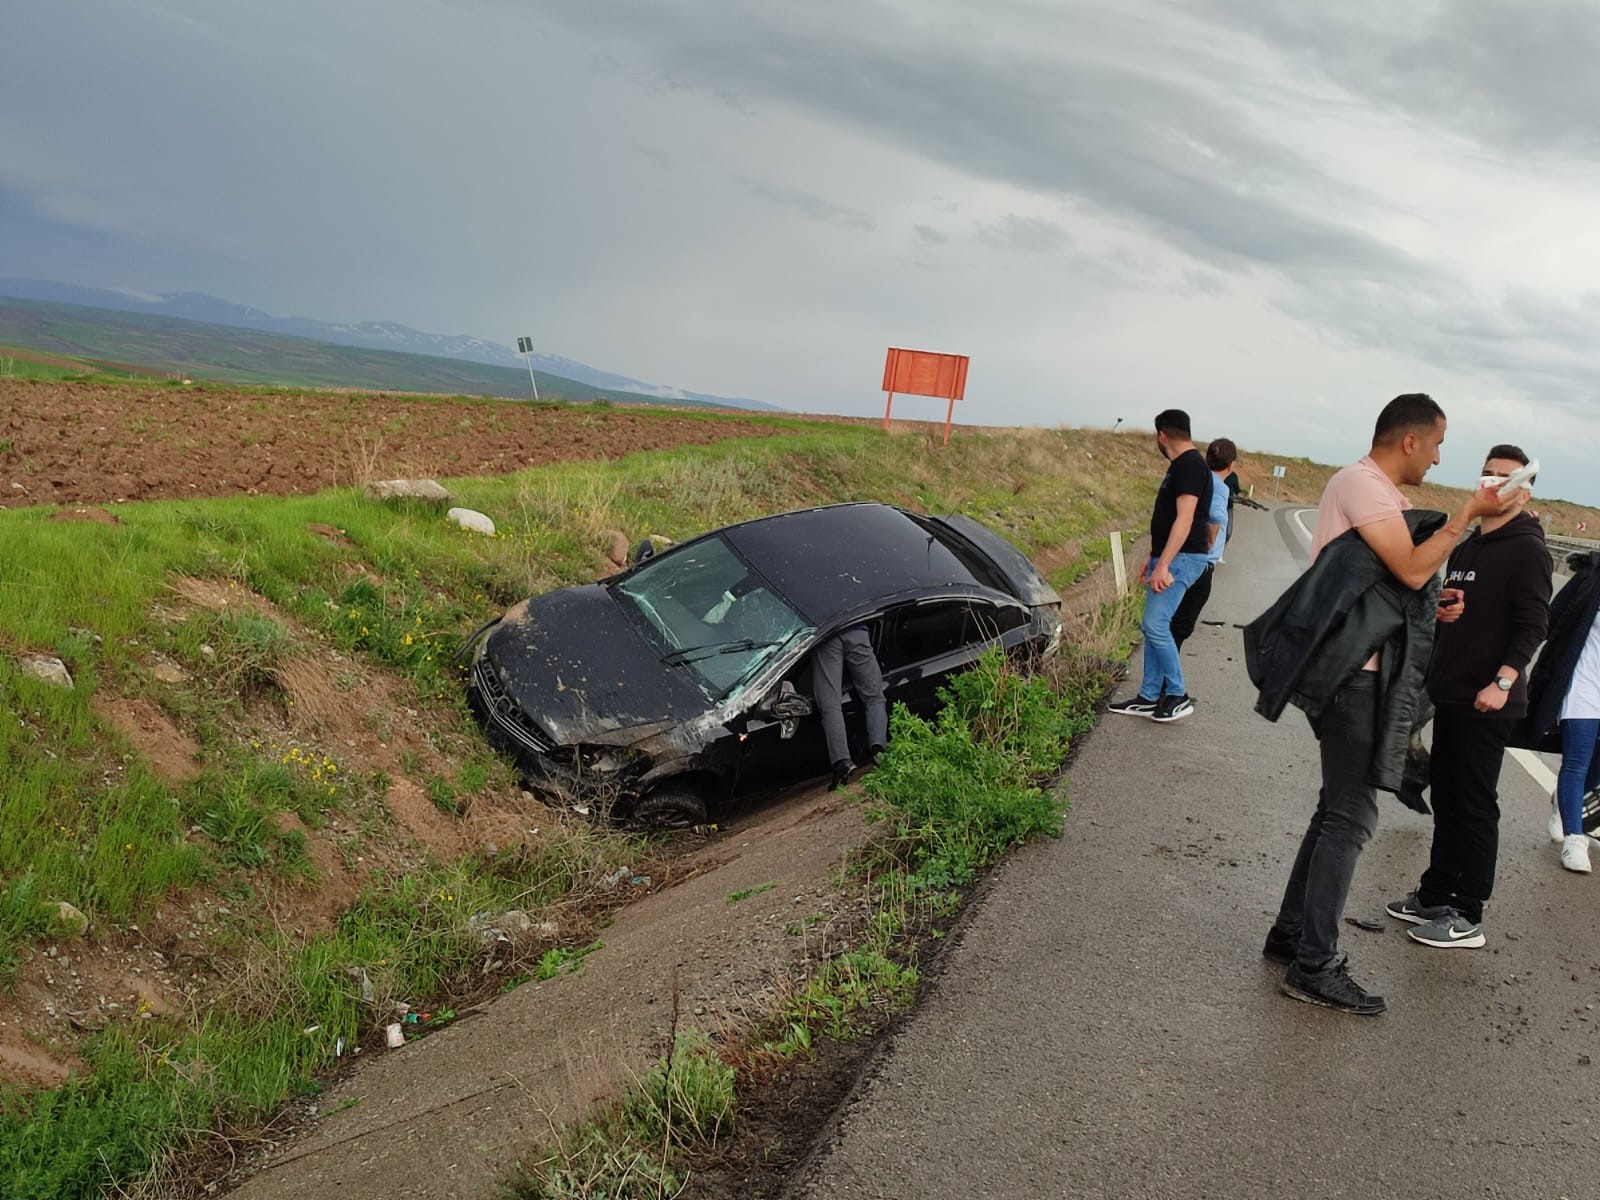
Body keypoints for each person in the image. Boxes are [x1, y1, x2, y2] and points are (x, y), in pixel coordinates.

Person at [1247, 393, 1515, 1015]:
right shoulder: (1364, 485)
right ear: (1411, 441)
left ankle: (1291, 936)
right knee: (1351, 818)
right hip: (1354, 680)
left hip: (1360, 674)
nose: (1441, 457)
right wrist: (1467, 517)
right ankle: (1314, 965)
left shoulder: (1380, 495)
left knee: (1332, 812)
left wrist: (1432, 607)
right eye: (1439, 443)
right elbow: (1413, 569)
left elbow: (1400, 585)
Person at [1385, 446, 1549, 947]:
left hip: (1488, 699)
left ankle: (1467, 911)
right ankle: (1435, 894)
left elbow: (1533, 624)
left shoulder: (1528, 548)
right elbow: (1455, 604)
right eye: (1487, 474)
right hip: (1452, 693)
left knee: (1475, 805)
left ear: (1523, 490)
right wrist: (1441, 611)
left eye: (1503, 477)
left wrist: (1501, 683)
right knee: (1449, 798)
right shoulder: (1470, 545)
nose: (1492, 483)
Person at [1107, 409, 1213, 723]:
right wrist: (1152, 559)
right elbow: (1170, 523)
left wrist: (1164, 564)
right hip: (1169, 558)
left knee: (1155, 624)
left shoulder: (1191, 466)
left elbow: (1185, 518)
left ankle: (1177, 695)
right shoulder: (1184, 465)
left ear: (1162, 435)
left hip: (1182, 559)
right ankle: (1149, 697)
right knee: (1154, 626)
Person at [1524, 549, 1600, 871]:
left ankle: (1563, 800)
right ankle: (1574, 839)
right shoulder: (1591, 576)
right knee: (1578, 759)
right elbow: (1550, 617)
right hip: (1584, 682)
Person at [1169, 437, 1237, 651]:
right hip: (1200, 565)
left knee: (1170, 624)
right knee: (1181, 627)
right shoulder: (1220, 487)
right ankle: (1166, 683)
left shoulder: (1197, 479)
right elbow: (1216, 517)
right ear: (1231, 464)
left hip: (1178, 559)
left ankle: (1162, 682)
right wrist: (1207, 543)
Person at [813, 625, 887, 790]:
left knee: (830, 704)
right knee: (874, 697)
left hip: (827, 634)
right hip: (856, 628)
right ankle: (879, 749)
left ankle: (842, 762)